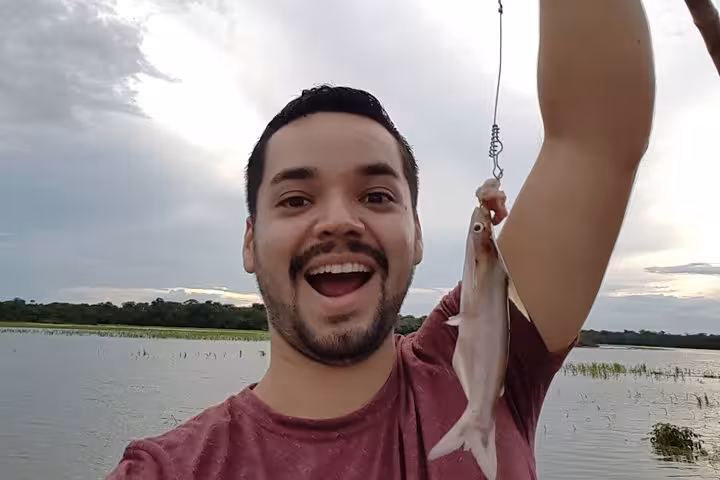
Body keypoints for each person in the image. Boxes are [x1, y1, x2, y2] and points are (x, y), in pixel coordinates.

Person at [107, 1, 655, 478]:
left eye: (376, 196)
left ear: (416, 235)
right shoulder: (169, 469)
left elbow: (596, 133)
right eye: (296, 200)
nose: (339, 221)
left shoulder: (478, 354)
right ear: (250, 242)